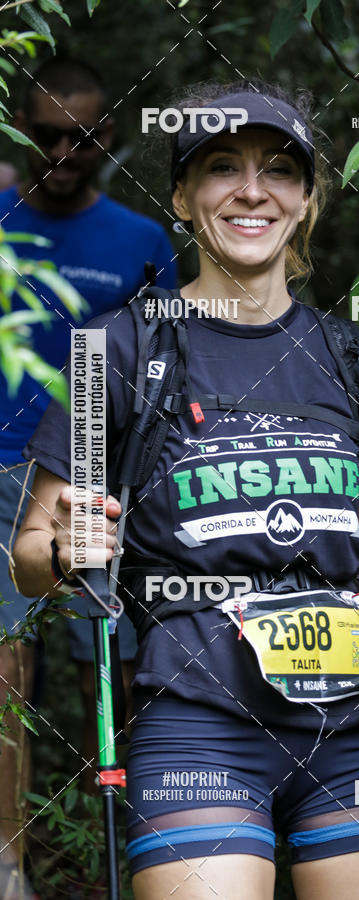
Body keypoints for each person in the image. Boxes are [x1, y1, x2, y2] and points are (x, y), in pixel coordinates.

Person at [13, 79, 359, 899]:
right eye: (221, 167)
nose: (251, 190)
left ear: (305, 200)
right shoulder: (116, 349)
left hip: (352, 730)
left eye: (278, 169)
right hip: (197, 726)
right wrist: (63, 549)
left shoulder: (352, 357)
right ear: (181, 197)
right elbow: (27, 558)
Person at [0, 54, 178, 841]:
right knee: (6, 662)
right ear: (20, 131)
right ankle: (10, 860)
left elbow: (171, 362)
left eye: (81, 136)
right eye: (46, 135)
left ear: (107, 134)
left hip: (98, 477)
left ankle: (126, 844)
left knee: (111, 661)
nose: (63, 153)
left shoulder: (143, 240)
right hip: (3, 466)